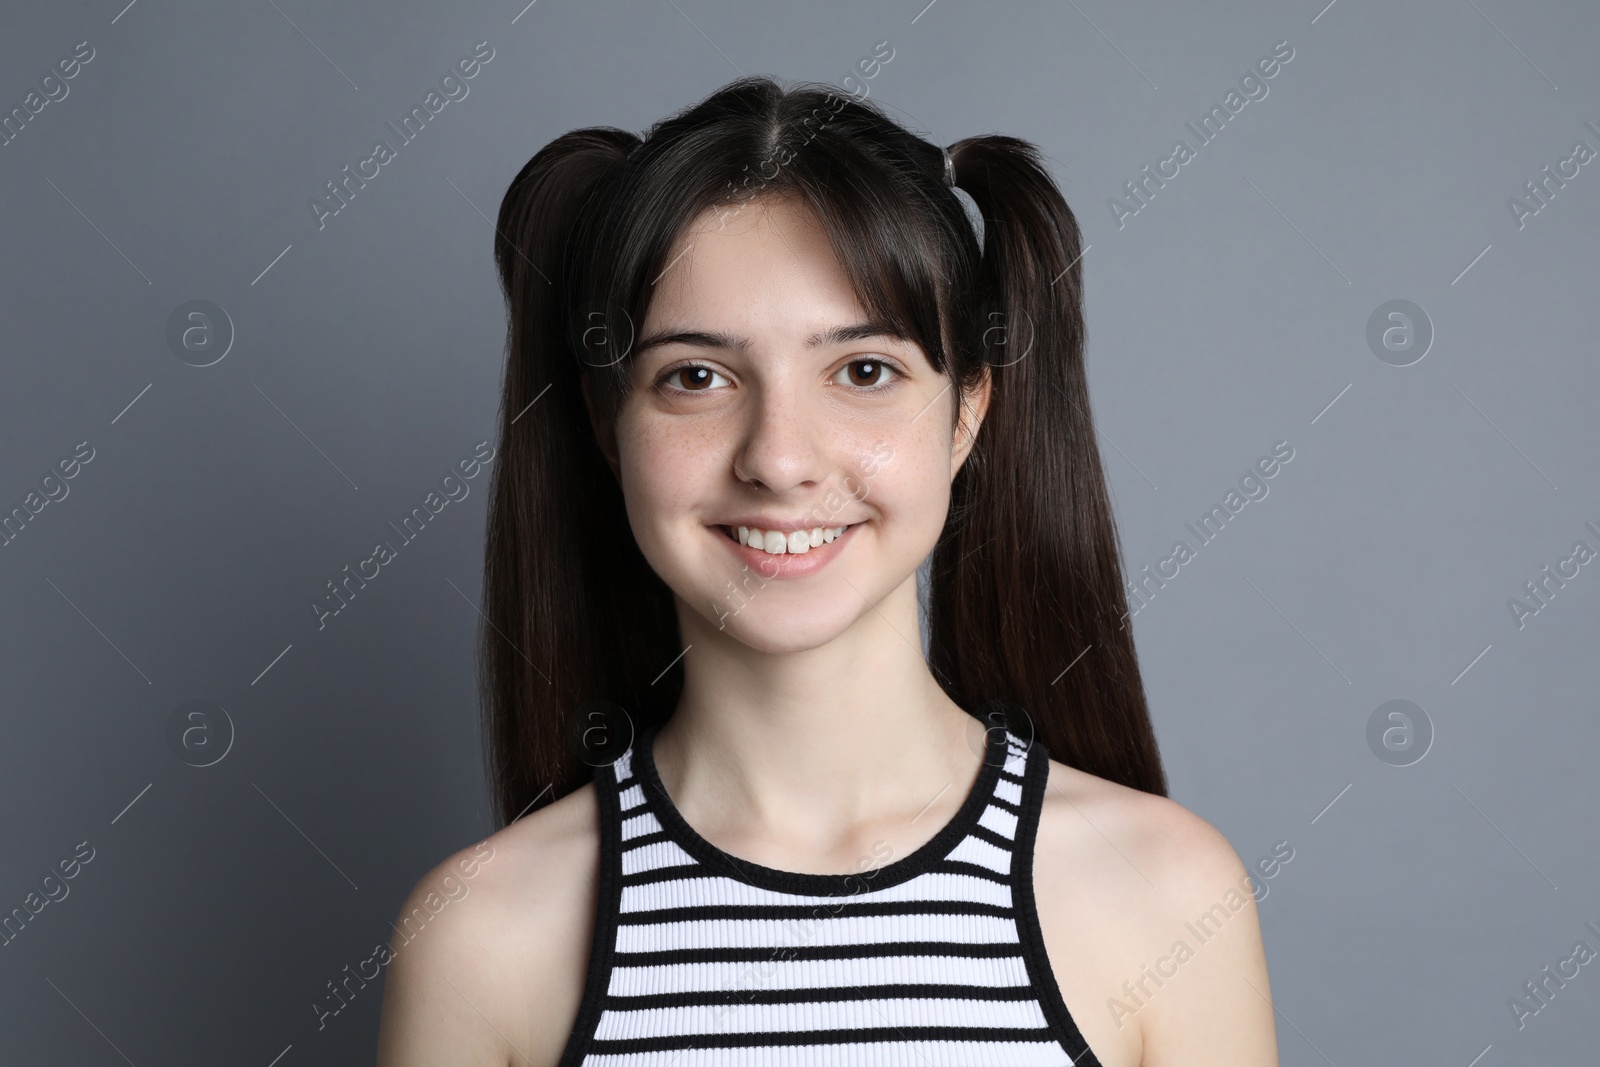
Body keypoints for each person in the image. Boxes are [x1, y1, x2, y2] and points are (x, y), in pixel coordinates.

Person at [376, 75, 1276, 1066]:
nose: (779, 456)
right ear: (606, 426)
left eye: (862, 371)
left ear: (968, 408)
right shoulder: (482, 935)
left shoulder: (1167, 898)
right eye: (696, 376)